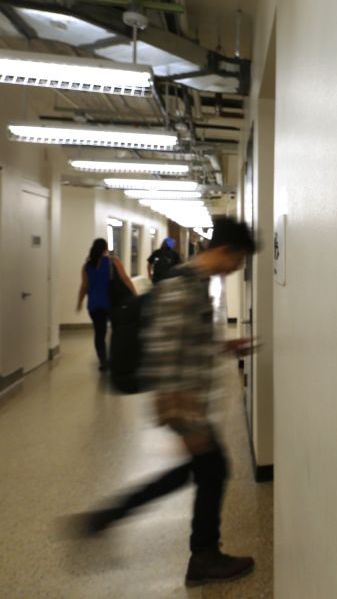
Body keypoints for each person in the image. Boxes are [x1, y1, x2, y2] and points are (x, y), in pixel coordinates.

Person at [77, 217, 258, 587]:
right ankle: (202, 556)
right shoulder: (182, 286)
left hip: (189, 402)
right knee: (212, 470)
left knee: (201, 471)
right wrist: (181, 417)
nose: (237, 268)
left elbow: (187, 340)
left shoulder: (196, 282)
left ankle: (112, 517)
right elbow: (164, 352)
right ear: (226, 251)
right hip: (183, 404)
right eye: (238, 260)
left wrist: (225, 346)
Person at [76, 238, 137, 370]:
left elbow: (84, 286)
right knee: (116, 330)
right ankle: (115, 358)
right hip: (111, 302)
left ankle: (103, 361)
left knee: (99, 333)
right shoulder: (113, 261)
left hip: (94, 304)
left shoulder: (86, 266)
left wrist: (79, 302)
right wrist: (134, 294)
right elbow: (125, 279)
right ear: (105, 248)